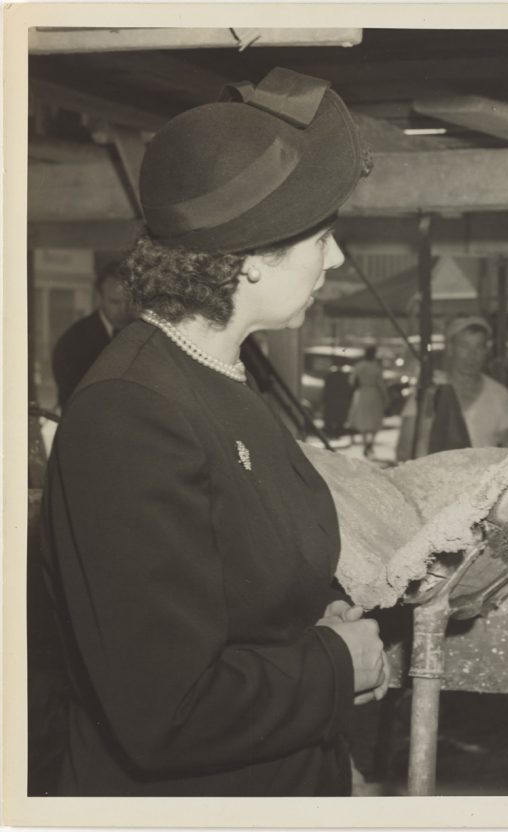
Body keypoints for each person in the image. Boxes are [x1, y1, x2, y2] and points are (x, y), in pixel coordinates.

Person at [40, 67, 387, 797]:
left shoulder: (217, 373)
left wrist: (315, 613)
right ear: (251, 260)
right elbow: (167, 708)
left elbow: (240, 580)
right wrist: (333, 664)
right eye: (323, 236)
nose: (336, 257)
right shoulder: (130, 414)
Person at [395, 316, 508, 460]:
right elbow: (404, 449)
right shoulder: (430, 391)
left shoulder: (500, 395)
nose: (472, 356)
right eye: (464, 346)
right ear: (450, 348)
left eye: (479, 346)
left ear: (486, 350)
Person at [51, 260, 134, 410]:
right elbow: (71, 401)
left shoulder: (140, 332)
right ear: (98, 298)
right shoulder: (73, 342)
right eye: (115, 302)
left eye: (129, 302)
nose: (124, 310)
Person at [346, 344, 388, 456]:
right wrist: (385, 396)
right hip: (374, 394)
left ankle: (365, 443)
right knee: (375, 418)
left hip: (362, 393)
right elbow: (381, 384)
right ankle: (371, 443)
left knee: (363, 418)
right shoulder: (376, 367)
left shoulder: (359, 366)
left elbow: (351, 381)